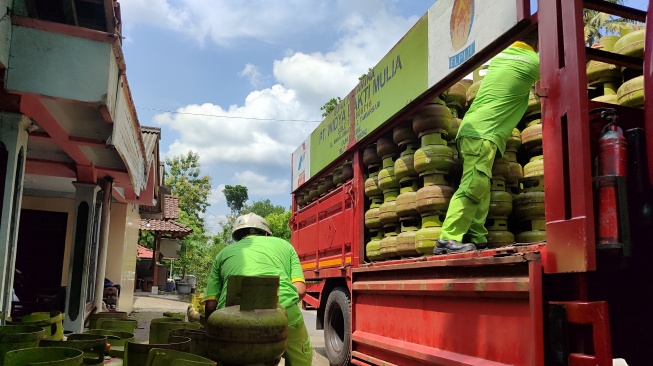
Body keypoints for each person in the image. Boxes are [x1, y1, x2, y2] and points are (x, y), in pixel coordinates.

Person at [434, 30, 540, 254]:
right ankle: (447, 239)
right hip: (483, 133)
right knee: (473, 186)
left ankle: (478, 237)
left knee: (481, 186)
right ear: (537, 43)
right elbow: (565, 70)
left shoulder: (501, 57)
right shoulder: (532, 61)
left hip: (472, 130)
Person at [202, 213, 313, 365]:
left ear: (238, 236)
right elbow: (300, 290)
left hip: (232, 320)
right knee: (302, 357)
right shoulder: (286, 246)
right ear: (266, 233)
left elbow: (211, 306)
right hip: (282, 312)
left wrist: (214, 330)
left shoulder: (223, 254)